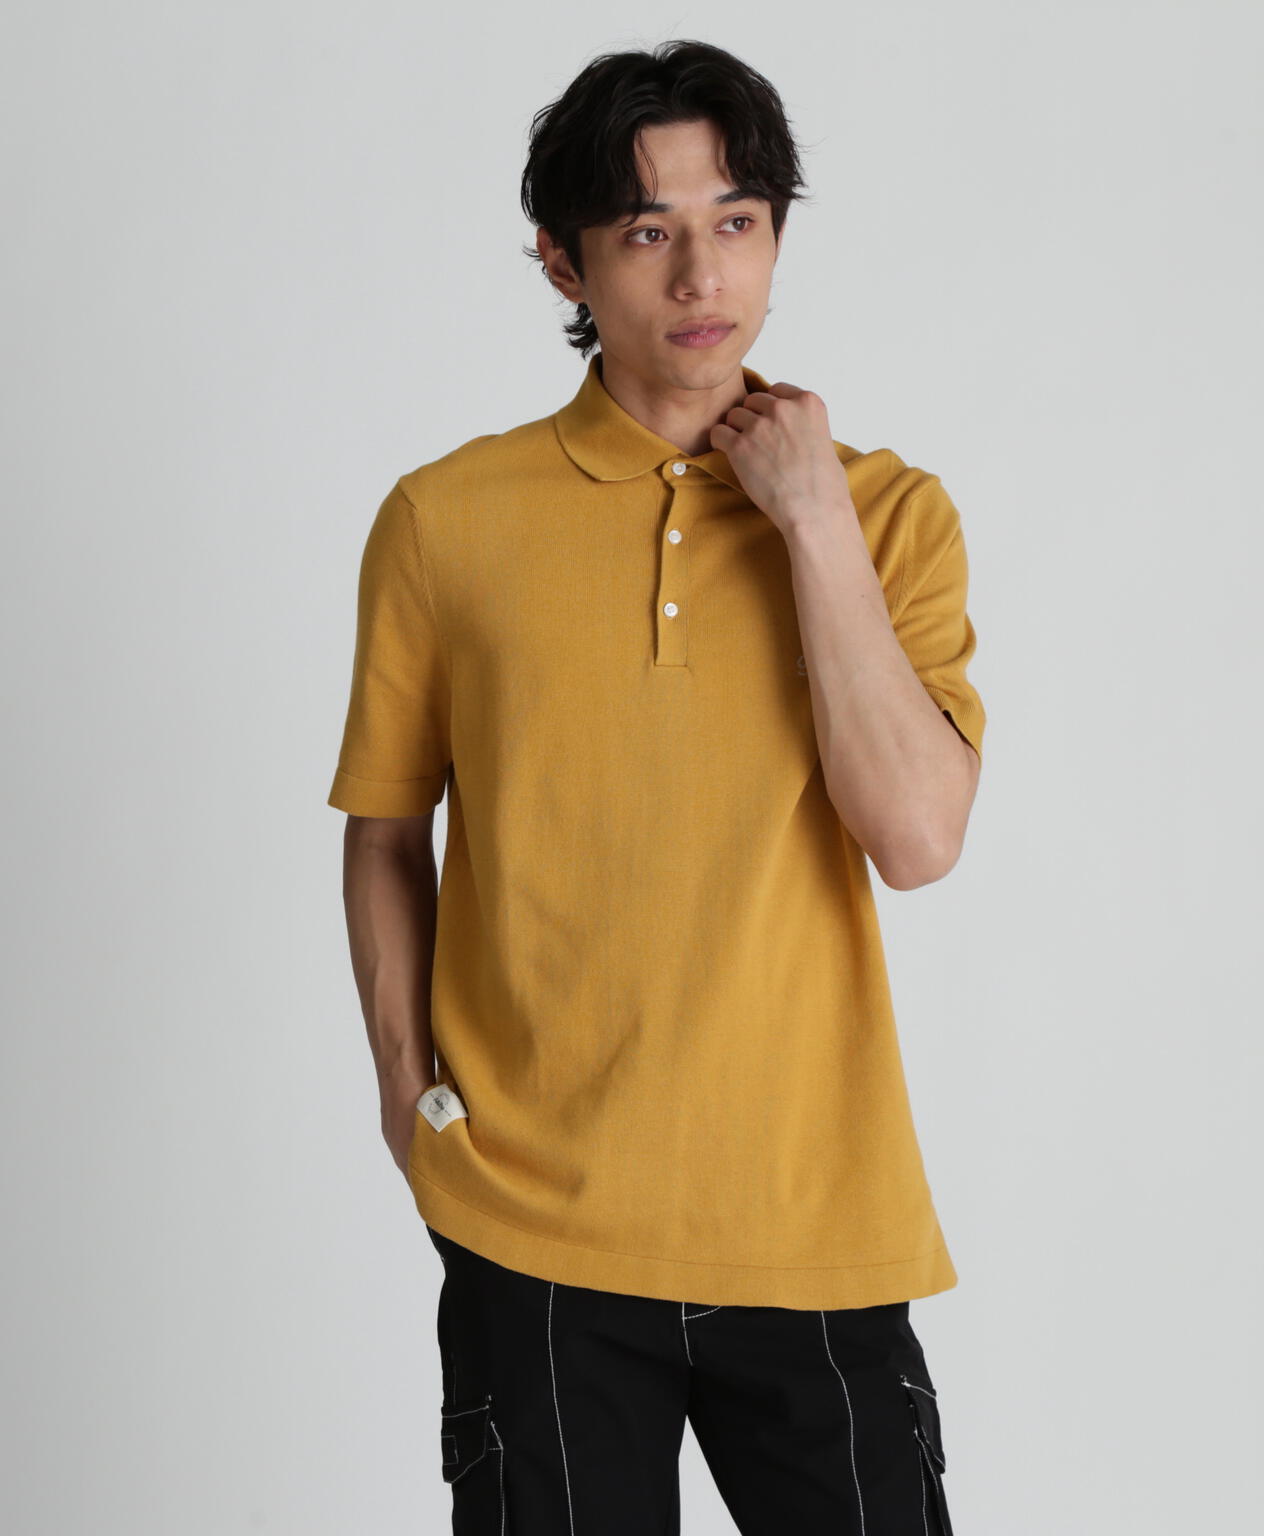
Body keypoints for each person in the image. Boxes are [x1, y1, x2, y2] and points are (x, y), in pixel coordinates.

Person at [326, 38, 983, 1535]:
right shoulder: (445, 521)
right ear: (561, 261)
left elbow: (916, 837)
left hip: (814, 1224)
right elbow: (385, 830)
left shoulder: (889, 514)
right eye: (647, 231)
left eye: (737, 220)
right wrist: (406, 1101)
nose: (703, 275)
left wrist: (812, 524)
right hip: (534, 1227)